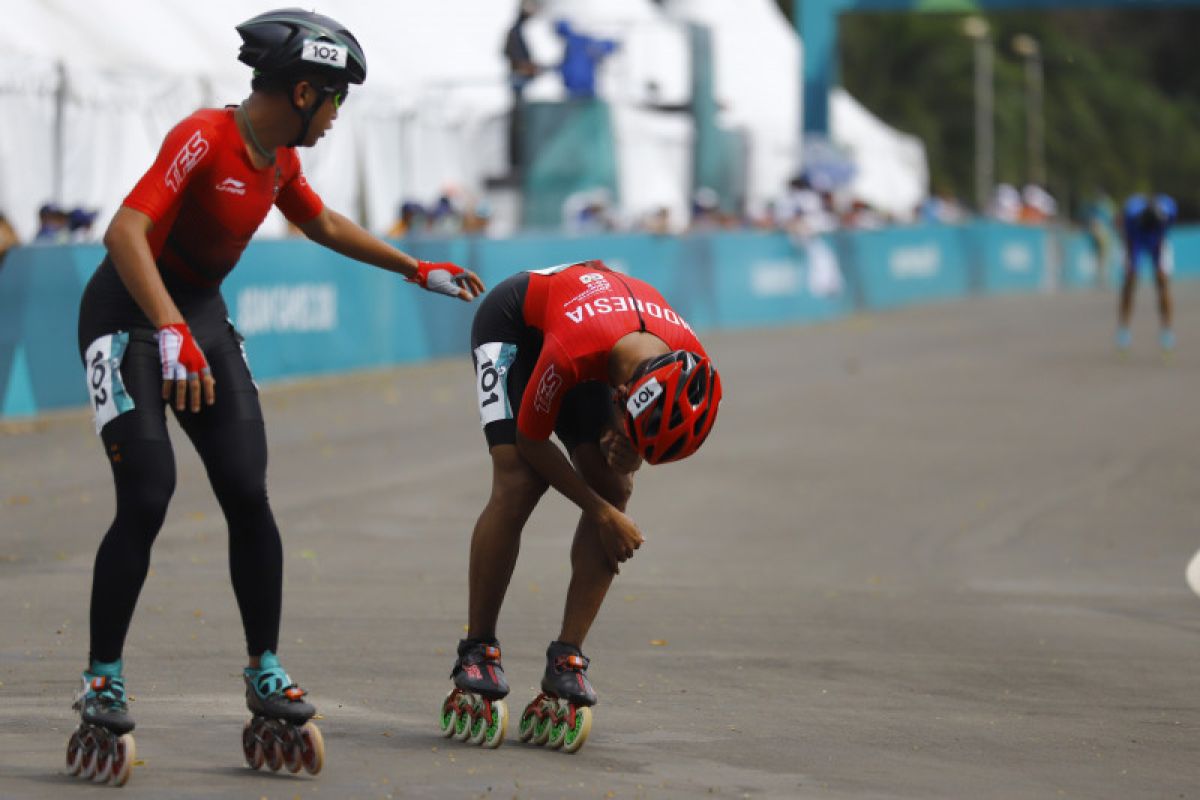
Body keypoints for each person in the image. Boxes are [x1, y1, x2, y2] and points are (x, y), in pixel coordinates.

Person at [67, 8, 484, 785]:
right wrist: (166, 328)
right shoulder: (204, 134)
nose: (336, 117)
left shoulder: (280, 159)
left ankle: (264, 666)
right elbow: (124, 233)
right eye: (336, 101)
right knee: (149, 494)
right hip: (127, 315)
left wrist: (411, 267)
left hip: (196, 319)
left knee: (247, 492)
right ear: (302, 91)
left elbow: (320, 220)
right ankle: (102, 676)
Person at [438, 259, 722, 752]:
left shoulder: (687, 356)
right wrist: (600, 514)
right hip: (518, 328)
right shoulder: (573, 350)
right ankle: (477, 649)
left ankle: (567, 657)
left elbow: (640, 435)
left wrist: (627, 452)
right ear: (623, 393)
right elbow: (531, 440)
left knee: (616, 486)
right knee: (518, 481)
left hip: (603, 344)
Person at [1116, 193, 1177, 353]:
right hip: (1136, 239)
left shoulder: (1168, 209)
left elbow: (1165, 235)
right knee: (1130, 281)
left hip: (1158, 241)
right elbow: (1129, 242)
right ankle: (1124, 329)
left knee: (1162, 282)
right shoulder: (1131, 215)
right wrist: (1132, 267)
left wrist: (1159, 266)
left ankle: (1167, 330)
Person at [502, 1, 541, 174]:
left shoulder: (519, 32)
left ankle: (518, 161)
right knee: (518, 124)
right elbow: (512, 56)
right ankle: (516, 163)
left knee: (521, 122)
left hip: (520, 85)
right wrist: (525, 67)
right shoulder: (514, 32)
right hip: (517, 84)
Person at [554, 19, 618, 100]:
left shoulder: (582, 41)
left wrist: (601, 48)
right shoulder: (569, 47)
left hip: (585, 89)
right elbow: (565, 66)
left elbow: (607, 45)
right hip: (572, 91)